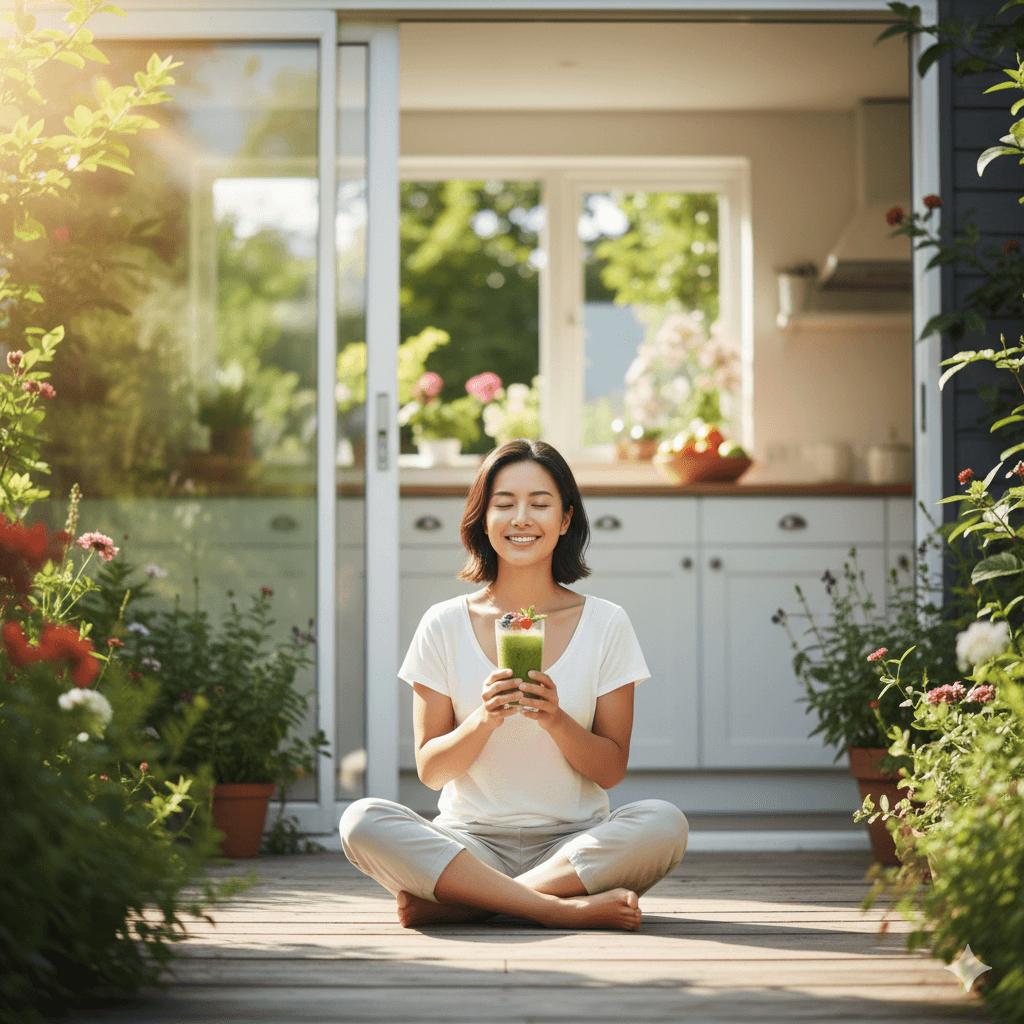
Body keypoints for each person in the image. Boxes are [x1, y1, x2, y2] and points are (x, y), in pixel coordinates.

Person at [339, 438, 688, 931]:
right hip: (468, 845)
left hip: (572, 844)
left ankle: (466, 903)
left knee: (665, 823)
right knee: (361, 820)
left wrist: (557, 720)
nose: (521, 518)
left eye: (540, 504)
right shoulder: (442, 624)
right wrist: (483, 720)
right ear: (483, 519)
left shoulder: (606, 623)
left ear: (565, 519)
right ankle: (555, 909)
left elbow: (610, 771)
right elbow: (432, 771)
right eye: (504, 505)